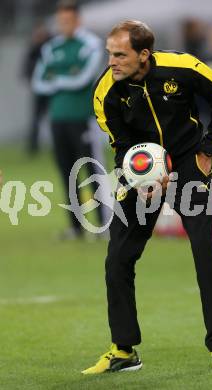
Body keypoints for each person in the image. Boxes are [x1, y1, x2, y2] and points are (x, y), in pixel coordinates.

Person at [82, 20, 212, 373]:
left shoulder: (182, 68)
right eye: (109, 54)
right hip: (141, 169)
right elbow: (120, 145)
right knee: (118, 258)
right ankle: (123, 351)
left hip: (188, 162)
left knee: (204, 249)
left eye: (120, 54)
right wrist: (141, 179)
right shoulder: (105, 92)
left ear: (144, 55)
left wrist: (208, 152)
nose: (112, 62)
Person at [32, 0, 108, 239]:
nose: (63, 25)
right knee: (66, 172)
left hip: (83, 118)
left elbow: (82, 78)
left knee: (92, 171)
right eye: (60, 21)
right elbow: (38, 82)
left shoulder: (90, 44)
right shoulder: (51, 47)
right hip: (58, 118)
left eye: (67, 20)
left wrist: (57, 77)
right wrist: (67, 75)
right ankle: (76, 228)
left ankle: (104, 225)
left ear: (77, 20)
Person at [22, 23, 51, 155]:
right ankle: (33, 147)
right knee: (36, 119)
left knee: (54, 118)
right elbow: (26, 68)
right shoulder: (33, 49)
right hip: (39, 90)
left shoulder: (52, 46)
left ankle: (58, 145)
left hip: (52, 90)